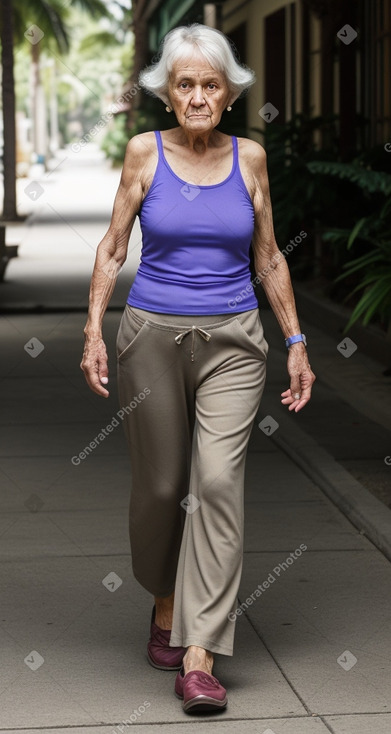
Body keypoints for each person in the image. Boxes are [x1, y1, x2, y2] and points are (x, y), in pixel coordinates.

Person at [80, 22, 316, 714]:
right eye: (184, 84)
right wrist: (94, 329)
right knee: (159, 487)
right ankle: (162, 599)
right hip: (151, 333)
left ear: (228, 93)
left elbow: (268, 256)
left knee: (216, 481)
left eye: (210, 84)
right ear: (167, 94)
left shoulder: (250, 159)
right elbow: (112, 246)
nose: (197, 96)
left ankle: (200, 652)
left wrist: (296, 339)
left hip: (235, 340)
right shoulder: (142, 155)